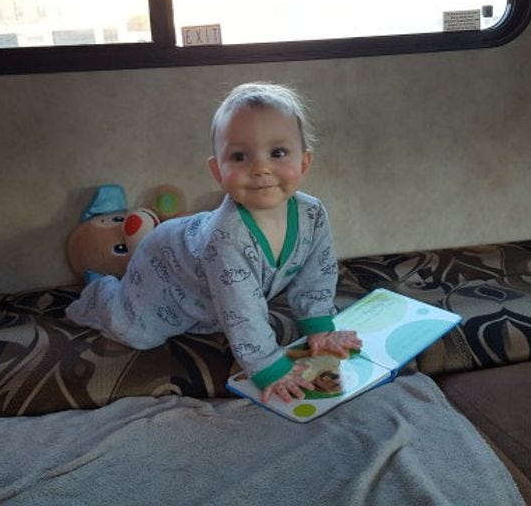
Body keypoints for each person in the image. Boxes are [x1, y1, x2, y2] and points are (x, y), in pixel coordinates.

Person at [65, 82, 361, 403]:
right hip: (163, 264)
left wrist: (319, 328)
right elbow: (242, 311)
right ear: (217, 170)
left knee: (210, 318)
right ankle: (102, 292)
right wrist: (267, 366)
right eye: (239, 156)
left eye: (277, 153)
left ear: (304, 162)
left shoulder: (312, 213)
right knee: (135, 332)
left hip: (205, 290)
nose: (260, 168)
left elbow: (317, 272)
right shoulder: (227, 237)